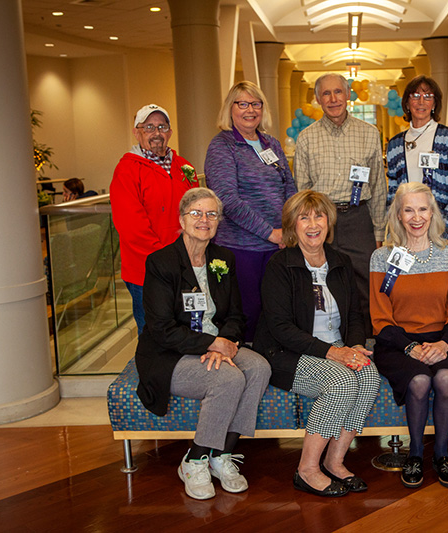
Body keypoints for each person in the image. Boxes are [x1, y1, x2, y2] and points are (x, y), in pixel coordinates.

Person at [135, 188, 271, 501]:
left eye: (211, 214)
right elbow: (161, 329)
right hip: (170, 354)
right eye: (196, 213)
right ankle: (194, 461)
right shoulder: (161, 263)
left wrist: (228, 341)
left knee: (260, 368)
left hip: (217, 343)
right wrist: (213, 344)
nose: (204, 219)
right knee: (228, 378)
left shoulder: (223, 258)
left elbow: (236, 314)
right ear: (182, 220)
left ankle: (221, 455)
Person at [253, 190, 380, 498]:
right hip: (288, 353)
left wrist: (354, 346)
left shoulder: (340, 261)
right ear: (292, 225)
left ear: (329, 221)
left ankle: (334, 462)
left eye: (319, 216)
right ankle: (307, 469)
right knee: (342, 383)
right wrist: (334, 352)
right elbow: (280, 328)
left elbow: (355, 314)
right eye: (304, 218)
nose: (313, 224)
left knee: (369, 376)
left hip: (336, 347)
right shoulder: (279, 265)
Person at [369, 182, 448, 489]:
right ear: (398, 215)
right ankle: (414, 454)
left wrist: (443, 344)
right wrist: (409, 346)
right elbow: (380, 318)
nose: (416, 217)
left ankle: (441, 454)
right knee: (420, 380)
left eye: (423, 209)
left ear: (432, 213)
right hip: (396, 342)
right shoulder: (382, 257)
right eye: (408, 210)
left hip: (442, 339)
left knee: (446, 378)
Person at [205, 81, 297, 341]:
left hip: (278, 246)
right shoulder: (222, 146)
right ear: (230, 108)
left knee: (277, 311)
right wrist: (271, 233)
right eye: (243, 104)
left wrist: (289, 230)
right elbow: (227, 200)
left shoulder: (271, 144)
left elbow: (289, 188)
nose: (250, 110)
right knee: (248, 315)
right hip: (241, 248)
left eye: (256, 104)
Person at [293, 73, 386, 330]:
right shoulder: (306, 138)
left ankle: (367, 338)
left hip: (359, 218)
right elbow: (301, 190)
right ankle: (331, 337)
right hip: (321, 220)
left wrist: (379, 232)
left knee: (366, 282)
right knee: (324, 280)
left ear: (347, 95)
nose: (333, 99)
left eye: (338, 92)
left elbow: (378, 186)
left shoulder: (369, 133)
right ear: (318, 99)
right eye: (326, 93)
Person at [111, 104, 199, 334]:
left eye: (162, 127)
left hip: (186, 267)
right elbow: (132, 228)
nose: (156, 133)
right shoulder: (127, 170)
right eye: (149, 127)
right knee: (154, 335)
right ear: (136, 132)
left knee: (188, 331)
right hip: (147, 271)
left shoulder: (184, 167)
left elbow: (198, 211)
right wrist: (166, 262)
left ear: (170, 132)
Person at [386, 75, 448, 254]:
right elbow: (392, 196)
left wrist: (442, 236)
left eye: (428, 96)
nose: (421, 101)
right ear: (407, 103)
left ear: (434, 104)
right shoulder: (394, 145)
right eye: (415, 96)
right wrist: (394, 234)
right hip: (405, 235)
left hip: (445, 235)